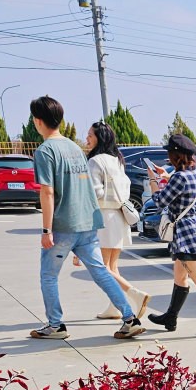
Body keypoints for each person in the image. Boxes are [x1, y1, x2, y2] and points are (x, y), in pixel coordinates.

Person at [26, 95, 142, 341]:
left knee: (48, 275)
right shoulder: (74, 148)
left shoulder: (45, 151)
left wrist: (46, 231)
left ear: (37, 121)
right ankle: (130, 318)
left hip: (63, 224)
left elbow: (47, 191)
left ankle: (56, 325)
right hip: (87, 223)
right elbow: (85, 187)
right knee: (100, 271)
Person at [146, 134, 196, 337]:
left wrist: (153, 179)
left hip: (185, 233)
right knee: (180, 276)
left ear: (175, 155)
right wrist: (167, 176)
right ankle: (170, 317)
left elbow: (160, 201)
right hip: (195, 227)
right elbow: (181, 188)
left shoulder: (180, 177)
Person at [85, 121, 150, 320]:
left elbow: (95, 193)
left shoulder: (95, 161)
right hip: (119, 216)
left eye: (90, 135)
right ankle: (114, 306)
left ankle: (135, 295)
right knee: (112, 266)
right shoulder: (117, 160)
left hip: (104, 217)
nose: (86, 139)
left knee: (103, 269)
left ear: (100, 138)